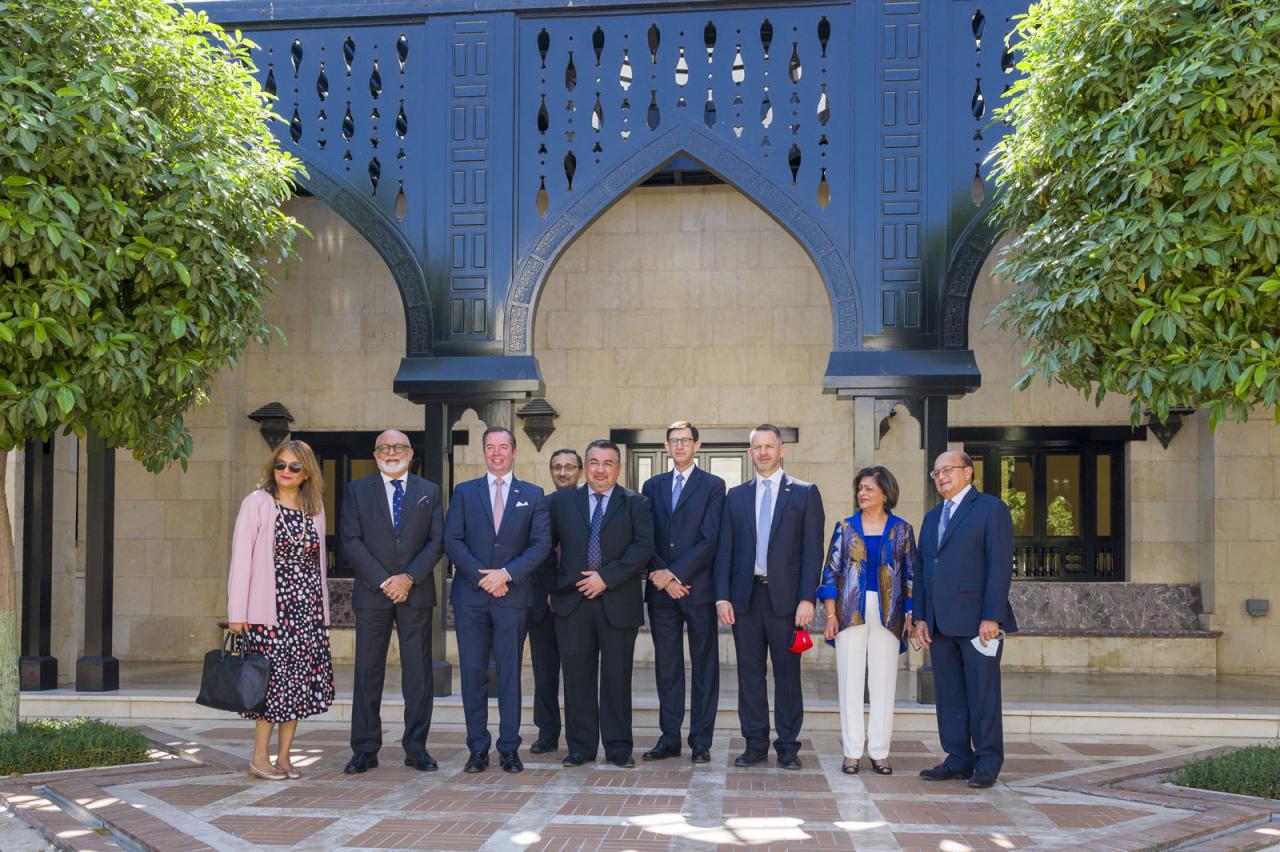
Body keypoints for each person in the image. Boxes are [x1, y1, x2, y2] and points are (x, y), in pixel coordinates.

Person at [714, 424, 824, 770]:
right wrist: (722, 597)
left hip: (788, 603)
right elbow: (725, 551)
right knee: (749, 674)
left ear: (781, 450)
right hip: (745, 599)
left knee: (788, 674)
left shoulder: (805, 493)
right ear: (750, 453)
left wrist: (808, 599)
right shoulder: (737, 496)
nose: (763, 452)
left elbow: (812, 552)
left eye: (769, 446)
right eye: (757, 447)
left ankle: (788, 746)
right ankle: (755, 744)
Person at [444, 427, 551, 773]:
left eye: (503, 447)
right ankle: (477, 748)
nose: (497, 453)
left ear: (514, 452)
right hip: (471, 598)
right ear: (483, 452)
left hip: (513, 597)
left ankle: (509, 748)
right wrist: (483, 577)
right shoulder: (464, 492)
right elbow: (453, 540)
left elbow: (540, 546)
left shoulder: (533, 495)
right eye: (490, 447)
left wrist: (505, 574)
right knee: (473, 673)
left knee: (509, 674)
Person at [227, 439, 335, 781]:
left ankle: (285, 758)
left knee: (297, 686)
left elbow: (319, 565)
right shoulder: (257, 502)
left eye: (294, 467)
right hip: (269, 612)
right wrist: (237, 612)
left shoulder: (314, 507)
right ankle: (260, 758)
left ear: (306, 474)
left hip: (306, 612)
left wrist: (322, 613)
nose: (285, 472)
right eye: (280, 465)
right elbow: (241, 559)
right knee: (270, 687)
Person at [340, 431, 444, 775]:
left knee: (418, 675)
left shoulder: (429, 491)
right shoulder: (356, 491)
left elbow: (436, 541)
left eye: (399, 446)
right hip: (373, 594)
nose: (392, 452)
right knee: (368, 672)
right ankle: (365, 749)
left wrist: (408, 578)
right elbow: (350, 541)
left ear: (410, 453)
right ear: (375, 454)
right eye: (385, 447)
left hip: (415, 593)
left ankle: (416, 748)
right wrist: (385, 580)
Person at [544, 439, 654, 767]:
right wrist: (552, 587)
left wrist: (606, 577)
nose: (600, 469)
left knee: (616, 677)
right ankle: (580, 747)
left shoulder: (637, 503)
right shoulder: (562, 502)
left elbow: (643, 547)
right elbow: (545, 548)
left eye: (608, 463)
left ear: (618, 468)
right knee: (577, 677)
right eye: (594, 462)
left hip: (617, 601)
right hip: (571, 603)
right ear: (585, 467)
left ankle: (619, 748)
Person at [913, 450, 1016, 789]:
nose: (941, 476)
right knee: (950, 694)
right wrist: (921, 617)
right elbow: (924, 569)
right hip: (940, 623)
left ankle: (987, 761)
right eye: (936, 472)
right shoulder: (931, 518)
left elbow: (999, 567)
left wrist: (992, 616)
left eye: (948, 470)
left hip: (978, 623)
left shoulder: (991, 510)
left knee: (982, 693)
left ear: (968, 473)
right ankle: (958, 757)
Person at [818, 465, 917, 776]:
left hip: (890, 613)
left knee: (883, 683)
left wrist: (912, 615)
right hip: (850, 611)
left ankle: (879, 752)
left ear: (885, 494)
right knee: (849, 683)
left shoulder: (902, 529)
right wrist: (831, 614)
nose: (862, 493)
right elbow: (830, 573)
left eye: (869, 489)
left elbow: (912, 576)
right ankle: (851, 753)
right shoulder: (845, 527)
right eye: (859, 488)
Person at [640, 422, 725, 764]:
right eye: (674, 441)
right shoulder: (652, 485)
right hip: (661, 592)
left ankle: (701, 740)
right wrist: (661, 575)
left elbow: (710, 539)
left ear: (697, 445)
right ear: (666, 445)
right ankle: (669, 736)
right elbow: (645, 535)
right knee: (668, 666)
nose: (679, 446)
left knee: (705, 665)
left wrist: (675, 574)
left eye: (685, 441)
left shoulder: (714, 486)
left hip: (698, 589)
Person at [527, 448, 582, 754]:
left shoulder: (589, 506)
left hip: (577, 603)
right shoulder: (541, 506)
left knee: (577, 673)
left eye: (569, 467)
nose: (563, 472)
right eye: (557, 467)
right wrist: (549, 590)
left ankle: (579, 736)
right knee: (544, 673)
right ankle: (547, 733)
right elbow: (539, 552)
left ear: (580, 471)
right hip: (544, 605)